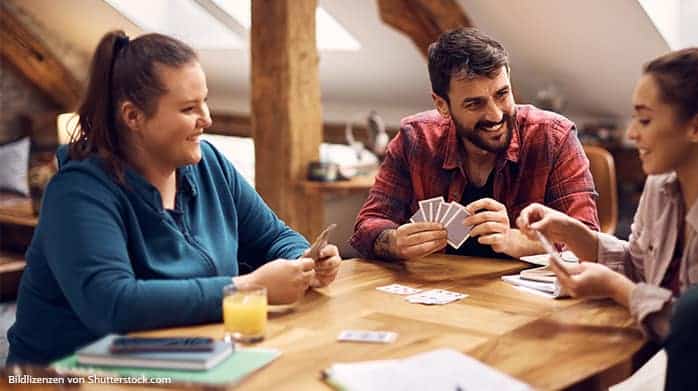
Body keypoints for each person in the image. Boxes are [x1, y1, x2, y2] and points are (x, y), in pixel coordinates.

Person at [6, 31, 341, 365]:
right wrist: (246, 287)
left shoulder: (211, 164)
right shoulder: (77, 193)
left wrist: (304, 262)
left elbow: (273, 236)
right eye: (188, 108)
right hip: (63, 378)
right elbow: (113, 305)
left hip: (181, 360)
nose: (207, 119)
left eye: (204, 101)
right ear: (133, 116)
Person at [517, 47, 698, 389]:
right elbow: (640, 268)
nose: (632, 133)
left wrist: (617, 289)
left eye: (645, 119)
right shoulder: (662, 183)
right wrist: (570, 230)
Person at [350, 27, 598, 261]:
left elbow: (589, 243)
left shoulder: (554, 137)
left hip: (529, 301)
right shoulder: (414, 138)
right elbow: (368, 226)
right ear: (441, 105)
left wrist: (518, 240)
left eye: (502, 94)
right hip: (440, 292)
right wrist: (393, 242)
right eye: (474, 104)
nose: (495, 115)